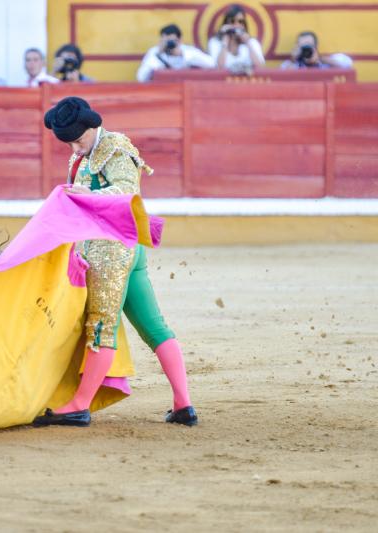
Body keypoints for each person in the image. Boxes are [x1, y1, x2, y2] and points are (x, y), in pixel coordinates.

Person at [32, 96, 197, 428]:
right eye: (70, 143)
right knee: (153, 326)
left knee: (100, 324)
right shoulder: (86, 153)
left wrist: (86, 196)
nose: (76, 147)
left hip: (112, 249)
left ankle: (80, 405)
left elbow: (126, 191)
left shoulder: (115, 146)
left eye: (79, 140)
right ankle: (183, 405)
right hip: (121, 246)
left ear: (93, 127)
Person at [136, 24, 215, 82]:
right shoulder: (155, 52)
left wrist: (182, 55)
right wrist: (158, 55)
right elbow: (141, 78)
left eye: (172, 40)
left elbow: (211, 63)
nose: (169, 44)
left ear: (180, 40)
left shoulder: (188, 51)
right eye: (166, 41)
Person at [207, 4, 265, 74]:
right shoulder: (215, 42)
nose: (236, 25)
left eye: (240, 22)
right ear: (226, 23)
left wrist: (248, 43)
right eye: (232, 21)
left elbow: (260, 67)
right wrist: (225, 42)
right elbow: (218, 67)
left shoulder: (252, 42)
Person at [281, 31, 353, 70]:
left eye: (308, 45)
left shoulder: (326, 63)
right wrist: (293, 59)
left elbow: (347, 63)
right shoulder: (293, 65)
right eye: (302, 46)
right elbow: (283, 72)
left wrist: (320, 59)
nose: (305, 49)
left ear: (316, 46)